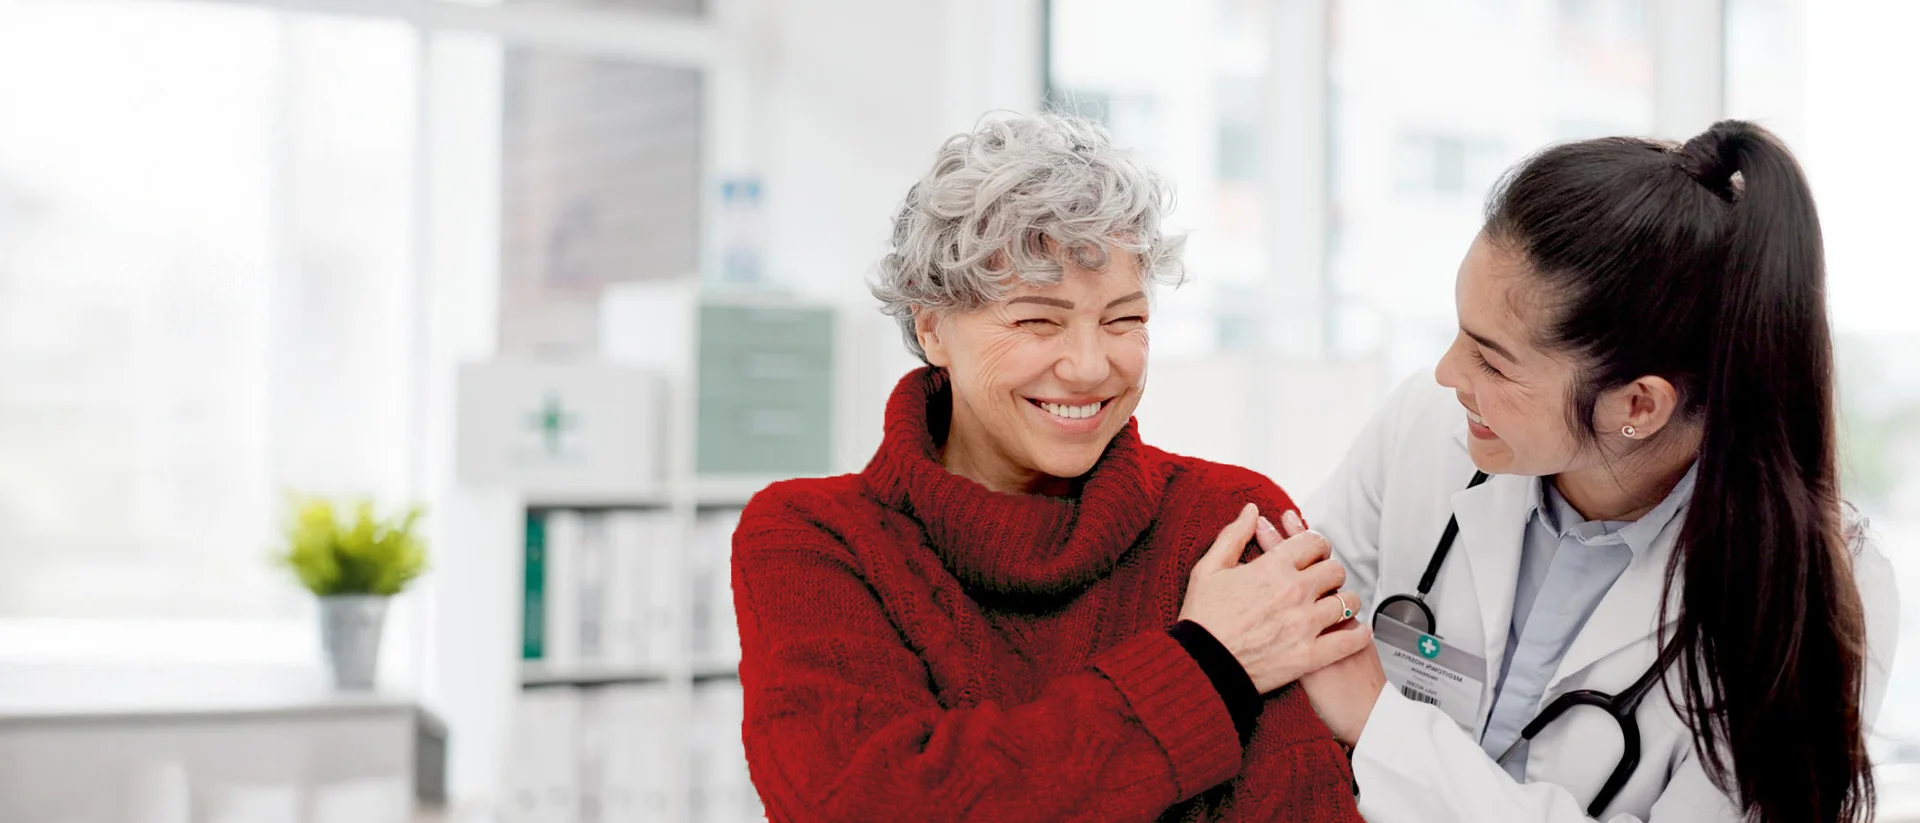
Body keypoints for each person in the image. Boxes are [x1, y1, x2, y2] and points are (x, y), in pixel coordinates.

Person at [730, 114, 1369, 822]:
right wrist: (1207, 665)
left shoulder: (1225, 518)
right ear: (932, 326)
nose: (1092, 365)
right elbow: (866, 804)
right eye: (1038, 321)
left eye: (1125, 320)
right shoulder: (811, 538)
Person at [1286, 120, 1899, 822]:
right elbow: (1295, 627)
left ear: (1638, 403)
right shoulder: (1428, 431)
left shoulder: (1818, 586)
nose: (1447, 372)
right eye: (1458, 333)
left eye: (1492, 360)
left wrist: (1380, 724)